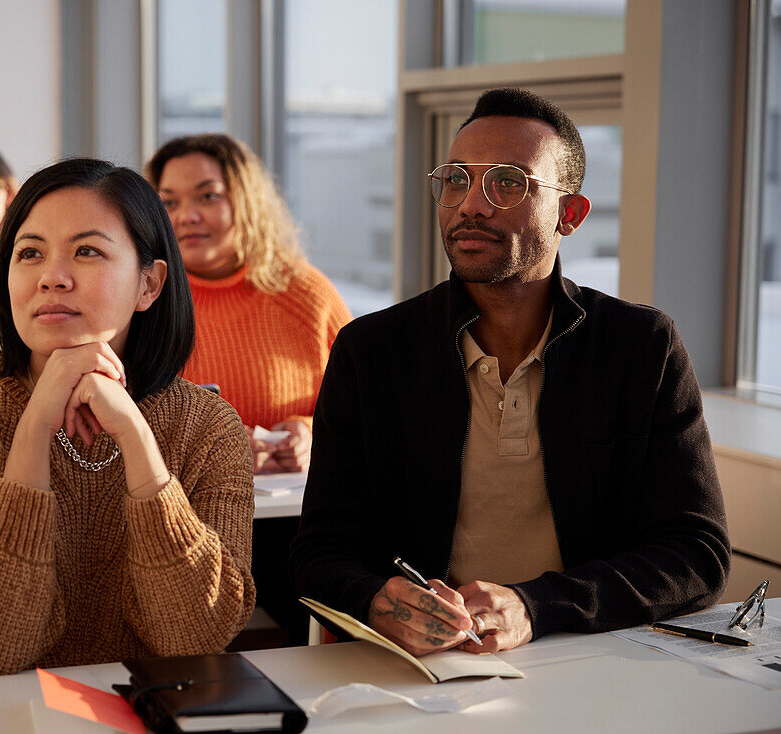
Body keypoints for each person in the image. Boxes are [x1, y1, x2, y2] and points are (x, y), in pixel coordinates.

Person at [290, 87, 730, 657]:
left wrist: (533, 606)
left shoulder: (640, 347)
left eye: (507, 182)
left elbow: (696, 553)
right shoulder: (373, 350)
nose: (472, 204)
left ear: (569, 214)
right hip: (427, 670)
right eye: (456, 180)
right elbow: (318, 552)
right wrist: (376, 599)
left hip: (590, 657)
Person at [0, 158, 255, 679]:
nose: (52, 278)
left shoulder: (209, 428)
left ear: (149, 284)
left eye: (87, 251)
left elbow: (194, 636)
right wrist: (34, 428)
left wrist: (136, 439)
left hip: (137, 708)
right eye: (30, 253)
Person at [147, 134, 352, 646]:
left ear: (246, 200)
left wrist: (308, 431)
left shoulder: (304, 292)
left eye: (207, 195)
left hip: (295, 524)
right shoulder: (142, 301)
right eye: (168, 202)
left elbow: (365, 412)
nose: (187, 215)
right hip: (184, 520)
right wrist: (215, 443)